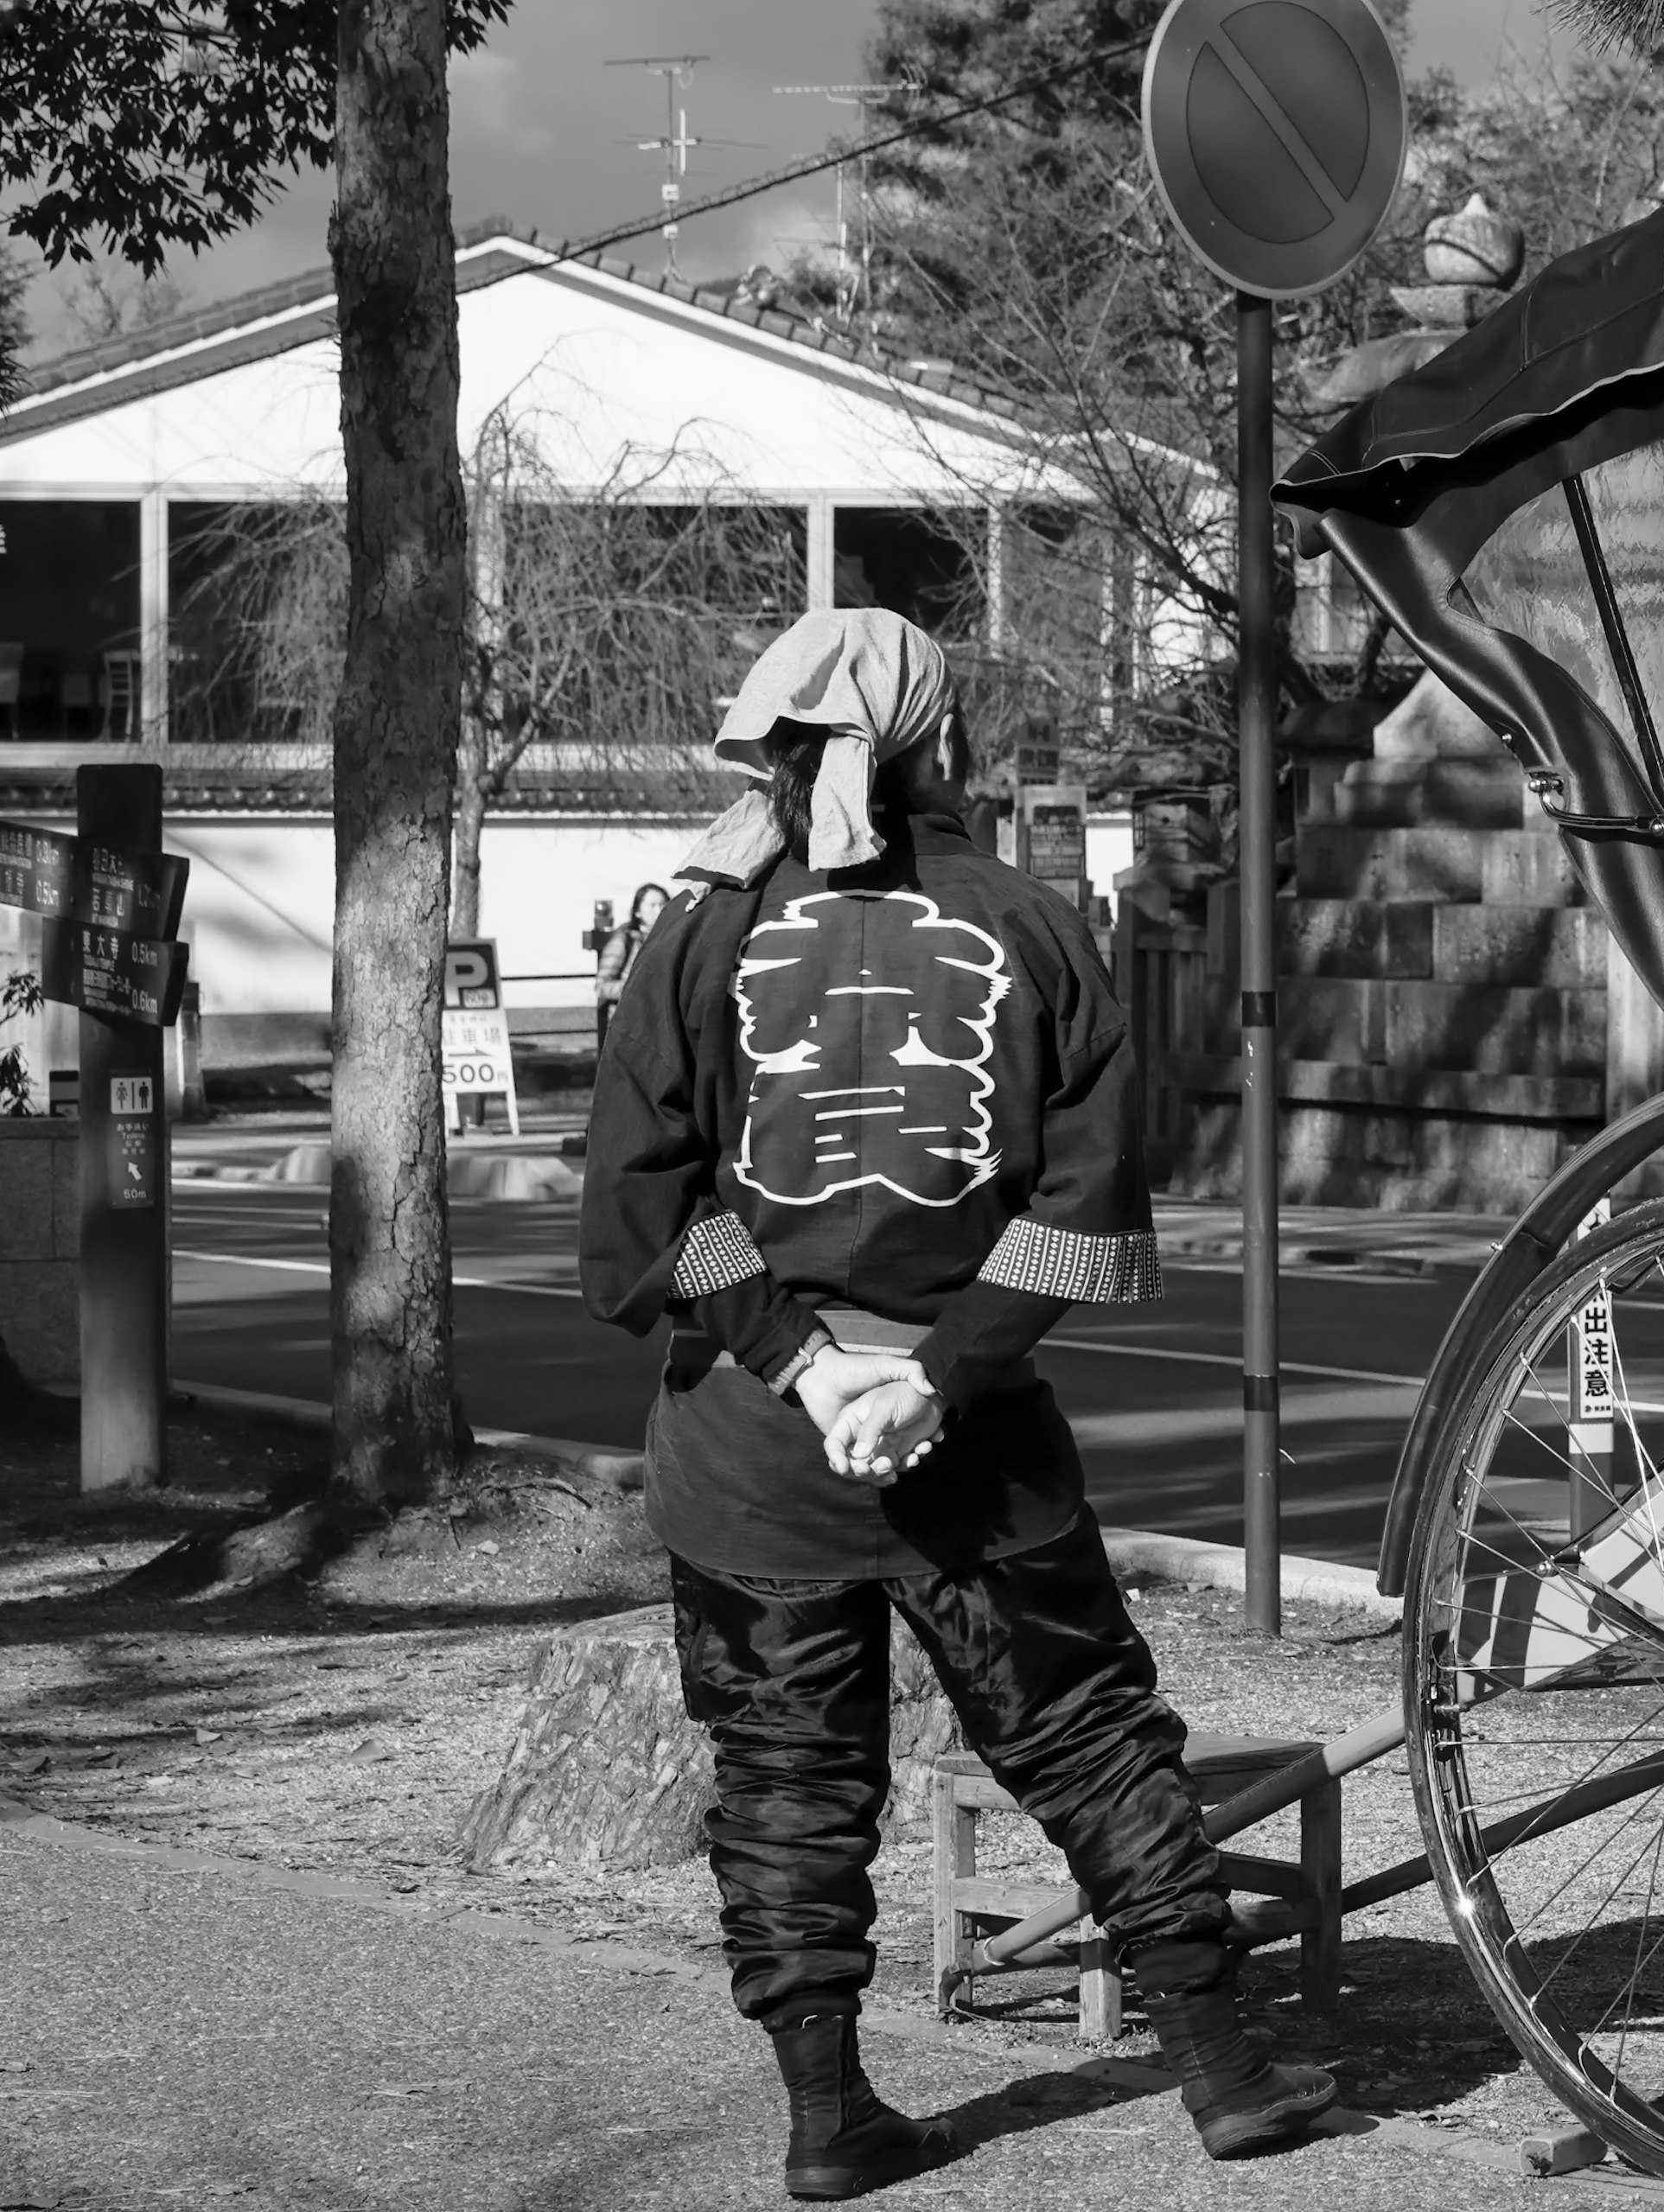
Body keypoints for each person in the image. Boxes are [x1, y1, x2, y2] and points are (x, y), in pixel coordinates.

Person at [578, 608, 1335, 2201]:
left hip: (751, 1441)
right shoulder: (1035, 920)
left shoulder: (696, 932)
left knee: (788, 1772)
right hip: (973, 1431)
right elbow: (1092, 1194)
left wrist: (804, 1357)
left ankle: (827, 2114)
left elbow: (639, 1215)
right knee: (1087, 1733)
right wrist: (938, 1366)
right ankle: (1223, 2067)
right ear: (941, 736)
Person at [593, 881, 671, 1052]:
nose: (659, 910)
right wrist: (635, 988)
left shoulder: (672, 940)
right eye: (652, 905)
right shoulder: (623, 941)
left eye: (663, 904)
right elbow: (601, 987)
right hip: (628, 1027)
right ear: (638, 912)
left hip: (661, 1028)